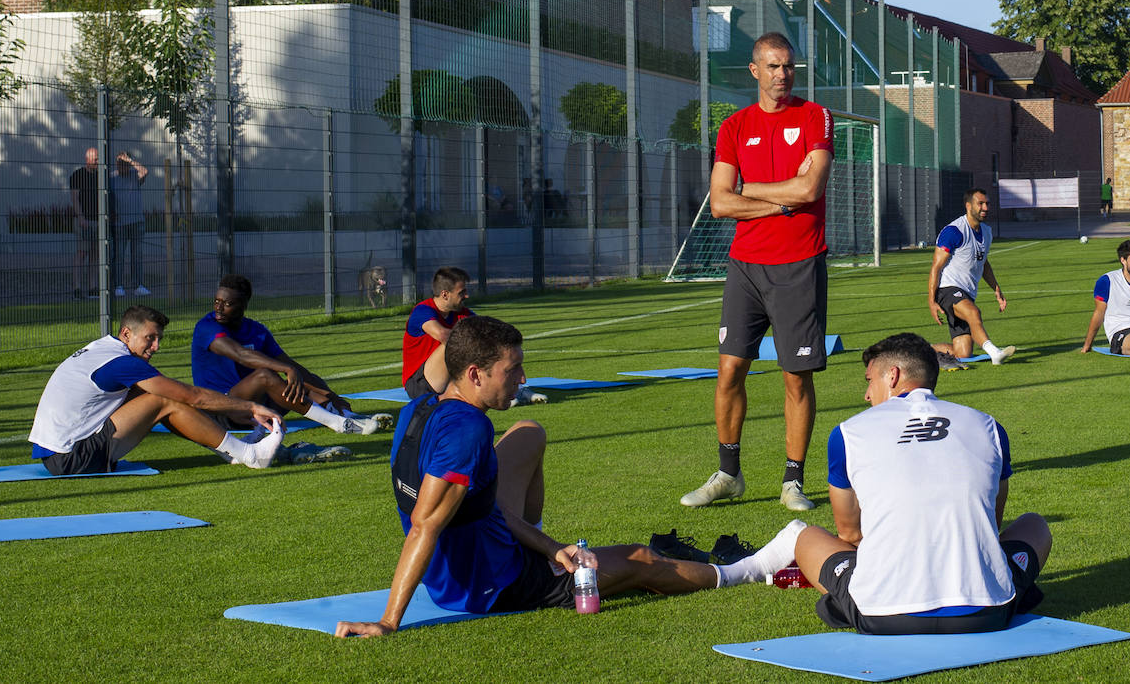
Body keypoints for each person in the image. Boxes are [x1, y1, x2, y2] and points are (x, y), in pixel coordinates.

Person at [334, 316, 806, 637]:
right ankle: (748, 570)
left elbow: (482, 508)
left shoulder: (419, 407)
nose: (521, 378)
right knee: (640, 558)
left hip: (469, 556)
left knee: (528, 431)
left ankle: (541, 547)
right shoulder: (469, 431)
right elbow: (424, 524)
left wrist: (550, 545)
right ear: (475, 374)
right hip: (489, 586)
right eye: (511, 369)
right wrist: (389, 621)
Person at [788, 332, 1050, 634]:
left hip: (883, 613)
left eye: (868, 381)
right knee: (1035, 525)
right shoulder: (989, 427)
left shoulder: (849, 433)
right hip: (986, 610)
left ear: (893, 375)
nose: (866, 395)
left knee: (806, 538)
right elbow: (991, 524)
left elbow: (849, 533)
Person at [680, 31, 834, 512]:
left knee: (796, 377)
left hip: (799, 264)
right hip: (746, 267)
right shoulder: (733, 126)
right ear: (754, 70)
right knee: (729, 370)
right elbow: (721, 203)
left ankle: (793, 480)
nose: (782, 75)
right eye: (772, 67)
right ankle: (729, 473)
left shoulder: (815, 116)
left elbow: (811, 190)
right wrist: (778, 202)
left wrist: (757, 189)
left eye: (788, 66)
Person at [29, 305, 285, 474]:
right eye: (150, 338)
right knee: (165, 400)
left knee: (157, 397)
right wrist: (249, 406)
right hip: (72, 459)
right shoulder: (121, 363)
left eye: (158, 338)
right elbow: (191, 396)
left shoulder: (103, 348)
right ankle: (249, 454)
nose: (156, 346)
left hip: (59, 454)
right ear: (127, 334)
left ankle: (232, 449)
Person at [192, 274, 390, 436]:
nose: (218, 308)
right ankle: (338, 424)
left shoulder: (256, 330)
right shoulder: (206, 327)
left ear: (243, 305)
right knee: (265, 375)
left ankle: (347, 415)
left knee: (299, 383)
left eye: (227, 303)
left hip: (254, 406)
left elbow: (290, 365)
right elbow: (240, 354)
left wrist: (332, 396)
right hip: (222, 409)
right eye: (216, 301)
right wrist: (286, 369)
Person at [928, 188, 1016, 365]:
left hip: (967, 294)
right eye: (980, 203)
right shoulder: (954, 231)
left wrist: (996, 288)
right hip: (948, 290)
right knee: (974, 312)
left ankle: (920, 350)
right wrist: (932, 301)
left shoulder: (986, 232)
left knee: (963, 354)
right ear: (968, 206)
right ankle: (995, 353)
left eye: (987, 203)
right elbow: (936, 268)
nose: (985, 207)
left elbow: (983, 262)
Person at [402, 266, 476, 399]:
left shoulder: (461, 313)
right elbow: (442, 335)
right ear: (445, 294)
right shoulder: (422, 310)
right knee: (452, 340)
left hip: (445, 380)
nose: (467, 296)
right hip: (419, 384)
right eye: (461, 292)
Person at [110, 150, 149, 297]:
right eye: (119, 163)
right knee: (119, 255)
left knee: (137, 255)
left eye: (124, 164)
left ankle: (138, 285)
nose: (122, 167)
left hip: (137, 222)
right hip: (120, 224)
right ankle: (118, 285)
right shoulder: (112, 178)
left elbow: (145, 171)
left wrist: (130, 161)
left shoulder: (134, 175)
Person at [69, 145, 100, 299]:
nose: (97, 162)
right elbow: (74, 198)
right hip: (84, 221)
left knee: (95, 254)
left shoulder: (100, 176)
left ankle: (93, 286)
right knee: (81, 253)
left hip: (97, 220)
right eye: (95, 159)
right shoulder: (77, 175)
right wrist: (80, 217)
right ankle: (77, 287)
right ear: (87, 160)